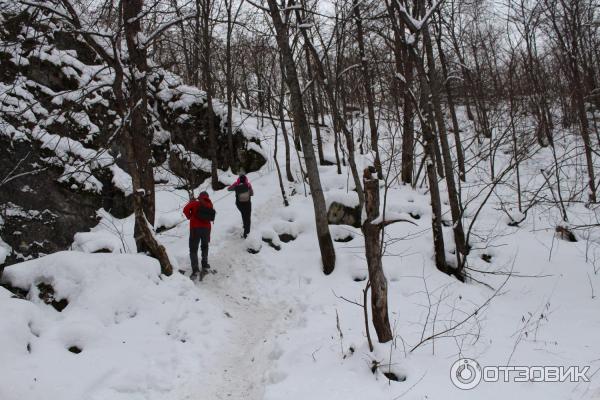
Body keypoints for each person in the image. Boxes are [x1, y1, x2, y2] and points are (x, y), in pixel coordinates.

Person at [183, 191, 215, 281]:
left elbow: (185, 210)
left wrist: (190, 216)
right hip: (206, 229)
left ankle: (195, 269)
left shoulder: (195, 203)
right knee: (205, 246)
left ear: (200, 197)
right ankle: (204, 264)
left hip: (195, 229)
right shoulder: (210, 204)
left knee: (193, 249)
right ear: (207, 197)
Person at [227, 174, 253, 238]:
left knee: (243, 215)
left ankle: (245, 227)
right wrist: (248, 188)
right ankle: (246, 234)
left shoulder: (236, 184)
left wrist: (236, 186)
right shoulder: (248, 184)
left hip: (239, 204)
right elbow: (252, 193)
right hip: (247, 204)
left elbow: (229, 189)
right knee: (247, 218)